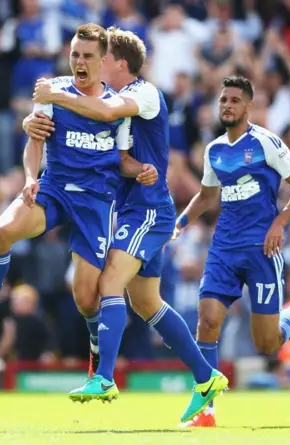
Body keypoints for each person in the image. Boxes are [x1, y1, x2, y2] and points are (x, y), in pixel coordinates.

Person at [25, 27, 226, 423]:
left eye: (101, 57)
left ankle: (103, 377)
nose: (92, 63)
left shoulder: (144, 94)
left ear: (117, 63)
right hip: (131, 208)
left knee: (109, 284)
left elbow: (104, 113)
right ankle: (206, 378)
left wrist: (54, 95)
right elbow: (94, 139)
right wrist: (33, 124)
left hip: (146, 210)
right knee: (147, 302)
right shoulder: (105, 97)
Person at [0, 25, 157, 351]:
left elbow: (121, 160)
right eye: (74, 54)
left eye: (87, 56)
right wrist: (29, 177)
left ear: (102, 60)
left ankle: (95, 344)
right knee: (0, 232)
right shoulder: (52, 91)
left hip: (95, 201)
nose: (79, 61)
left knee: (84, 297)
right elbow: (34, 140)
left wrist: (140, 170)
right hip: (54, 188)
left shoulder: (116, 106)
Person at [173, 76, 290, 427]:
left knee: (267, 342)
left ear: (248, 106)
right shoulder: (214, 150)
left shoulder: (266, 143)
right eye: (223, 99)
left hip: (262, 249)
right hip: (224, 247)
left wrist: (280, 222)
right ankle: (206, 410)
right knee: (208, 320)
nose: (227, 105)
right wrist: (180, 222)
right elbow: (208, 196)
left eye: (234, 100)